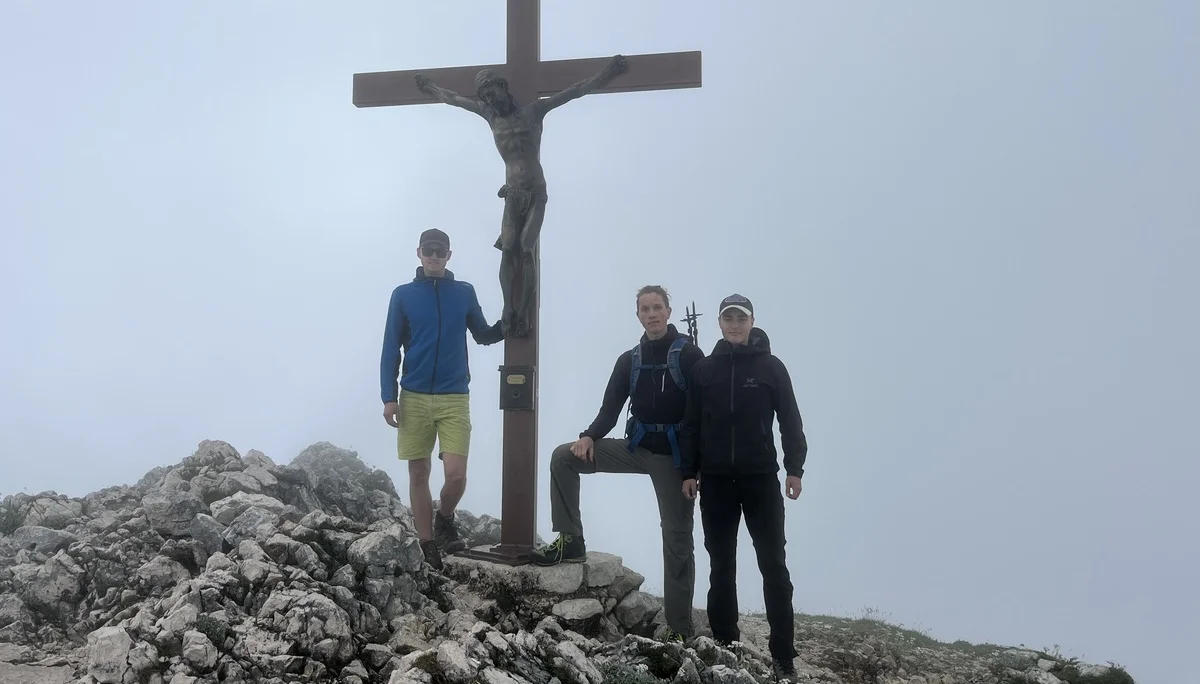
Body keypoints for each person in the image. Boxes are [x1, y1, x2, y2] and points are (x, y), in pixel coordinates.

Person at [530, 285, 705, 642]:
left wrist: (692, 469)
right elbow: (610, 408)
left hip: (673, 458)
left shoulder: (689, 356)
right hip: (636, 447)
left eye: (657, 307)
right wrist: (589, 436)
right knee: (564, 456)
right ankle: (570, 539)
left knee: (676, 538)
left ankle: (679, 628)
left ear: (668, 312)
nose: (652, 314)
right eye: (645, 309)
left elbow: (700, 417)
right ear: (638, 315)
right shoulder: (631, 359)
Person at [679, 294, 807, 678]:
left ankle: (783, 656)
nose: (735, 324)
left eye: (741, 318)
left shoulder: (772, 368)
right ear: (719, 323)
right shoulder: (703, 371)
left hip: (761, 481)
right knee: (722, 565)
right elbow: (691, 425)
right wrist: (689, 471)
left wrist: (794, 468)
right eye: (728, 318)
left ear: (752, 322)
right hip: (716, 482)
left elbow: (790, 420)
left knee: (774, 567)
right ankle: (725, 645)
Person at [379, 228, 505, 569]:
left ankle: (444, 517)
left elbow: (482, 333)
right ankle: (428, 543)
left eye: (441, 250)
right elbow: (391, 347)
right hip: (414, 396)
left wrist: (508, 324)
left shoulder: (463, 293)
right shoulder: (403, 295)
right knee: (418, 473)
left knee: (456, 475)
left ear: (449, 255)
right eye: (429, 249)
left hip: (453, 395)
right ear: (418, 253)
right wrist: (389, 397)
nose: (434, 255)